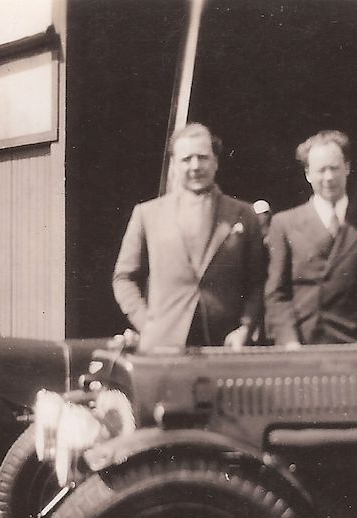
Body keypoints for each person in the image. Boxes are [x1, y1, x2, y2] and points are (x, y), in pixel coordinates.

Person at [112, 123, 266, 352]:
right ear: (174, 165)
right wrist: (148, 323)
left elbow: (258, 282)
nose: (195, 166)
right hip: (163, 346)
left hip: (224, 345)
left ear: (215, 161)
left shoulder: (243, 214)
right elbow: (124, 278)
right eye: (186, 159)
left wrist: (245, 328)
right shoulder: (147, 214)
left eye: (203, 157)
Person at [265, 130, 357, 347]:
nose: (329, 177)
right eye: (321, 170)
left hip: (355, 347)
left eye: (334, 168)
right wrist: (290, 343)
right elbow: (277, 294)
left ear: (347, 168)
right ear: (308, 174)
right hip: (301, 346)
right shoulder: (284, 223)